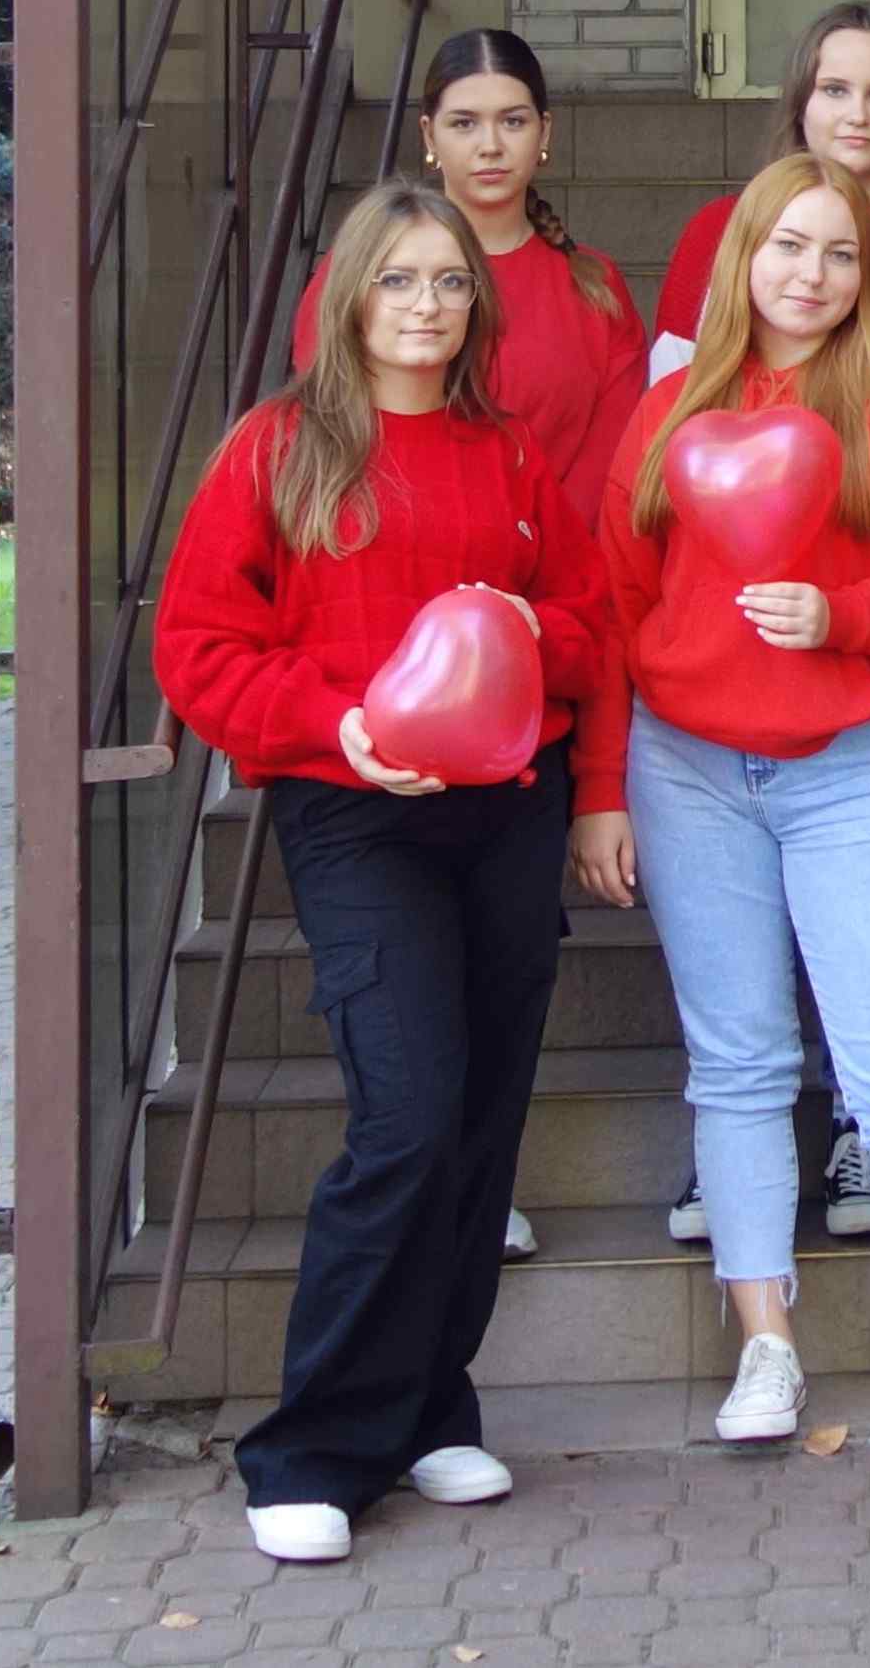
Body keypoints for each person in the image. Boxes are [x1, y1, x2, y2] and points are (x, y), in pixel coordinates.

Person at [157, 183, 610, 1567]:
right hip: (354, 816)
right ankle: (312, 1447)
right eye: (401, 279)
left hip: (506, 812)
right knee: (406, 1117)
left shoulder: (506, 451)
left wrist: (520, 627)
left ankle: (428, 1405)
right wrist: (336, 724)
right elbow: (198, 647)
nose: (427, 305)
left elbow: (591, 622)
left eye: (451, 281)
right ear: (350, 294)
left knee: (477, 1118)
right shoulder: (278, 447)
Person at [574, 156, 870, 1484]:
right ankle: (764, 1339)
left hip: (854, 760)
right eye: (787, 245)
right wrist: (601, 788)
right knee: (738, 1066)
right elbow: (614, 608)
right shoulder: (670, 405)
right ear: (741, 258)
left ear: (869, 270)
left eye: (839, 251)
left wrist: (842, 615)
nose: (811, 274)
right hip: (687, 766)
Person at [647, 1, 870, 1250]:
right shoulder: (722, 233)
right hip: (735, 620)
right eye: (835, 87)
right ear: (798, 99)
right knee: (734, 886)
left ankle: (865, 1119)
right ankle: (742, 1134)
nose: (857, 112)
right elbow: (671, 414)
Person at [291, 27, 646, 1261]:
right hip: (381, 714)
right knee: (408, 1024)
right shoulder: (361, 278)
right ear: (427, 137)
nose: (489, 143)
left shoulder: (593, 290)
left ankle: (473, 1188)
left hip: (533, 671)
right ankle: (425, 1184)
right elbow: (335, 464)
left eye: (512, 119)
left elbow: (600, 521)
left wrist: (594, 769)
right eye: (464, 120)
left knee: (497, 983)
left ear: (545, 136)